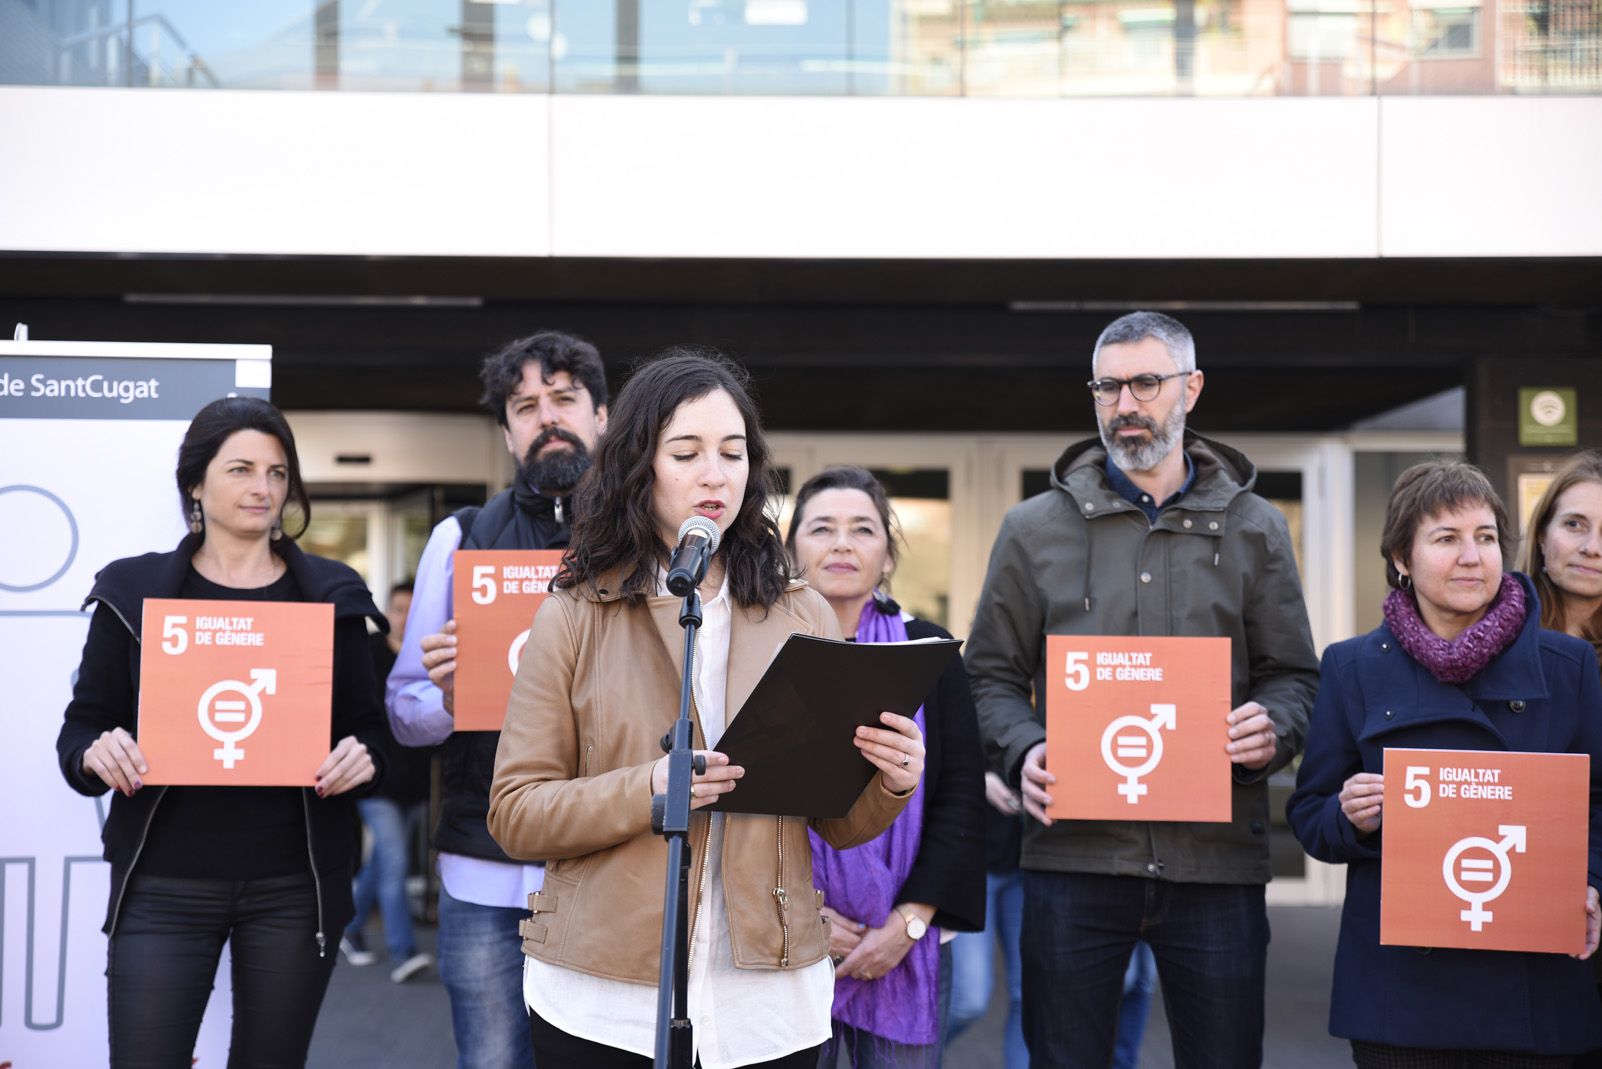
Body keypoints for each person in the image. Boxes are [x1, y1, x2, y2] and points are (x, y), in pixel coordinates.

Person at [486, 348, 925, 1068]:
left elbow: (839, 822)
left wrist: (891, 779)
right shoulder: (573, 612)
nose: (715, 474)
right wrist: (649, 789)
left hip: (767, 995)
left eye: (733, 451)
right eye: (686, 452)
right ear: (639, 463)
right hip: (604, 993)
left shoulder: (802, 610)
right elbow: (515, 810)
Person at [964, 310, 1320, 1069]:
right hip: (1073, 857)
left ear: (1190, 388)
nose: (1126, 404)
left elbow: (1294, 675)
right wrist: (1022, 748)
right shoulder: (1032, 529)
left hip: (1216, 861)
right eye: (1108, 386)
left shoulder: (1256, 527)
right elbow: (988, 675)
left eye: (1146, 383)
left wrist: (1273, 728)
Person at [55, 396, 388, 1068]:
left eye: (276, 471)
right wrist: (96, 752)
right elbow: (81, 725)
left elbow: (373, 729)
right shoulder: (133, 593)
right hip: (162, 885)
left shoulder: (331, 594)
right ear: (195, 484)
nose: (262, 488)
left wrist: (366, 756)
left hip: (294, 889)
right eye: (240, 469)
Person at [1287, 460, 1602, 1066]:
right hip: (1401, 999)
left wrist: (1589, 882)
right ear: (1402, 558)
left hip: (1533, 995)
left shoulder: (1567, 666)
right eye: (1446, 539)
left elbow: (1599, 805)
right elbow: (1309, 815)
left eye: (1485, 538)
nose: (1471, 557)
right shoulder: (1352, 667)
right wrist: (1350, 816)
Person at [387, 330, 609, 1069]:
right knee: (491, 1061)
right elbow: (405, 712)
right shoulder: (461, 537)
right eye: (525, 405)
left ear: (602, 416)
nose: (546, 417)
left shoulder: (644, 541)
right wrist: (452, 695)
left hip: (610, 867)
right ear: (509, 430)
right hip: (483, 868)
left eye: (564, 399)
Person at [784, 465, 986, 1067]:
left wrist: (911, 922)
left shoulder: (928, 654)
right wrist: (801, 912)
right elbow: (749, 799)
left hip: (909, 938)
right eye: (822, 528)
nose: (842, 543)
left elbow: (960, 798)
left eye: (862, 529)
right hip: (788, 938)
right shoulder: (763, 652)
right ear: (793, 549)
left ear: (888, 555)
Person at [342, 580, 437, 983]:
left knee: (382, 862)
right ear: (387, 612)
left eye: (412, 610)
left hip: (413, 782)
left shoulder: (428, 654)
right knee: (395, 862)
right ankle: (404, 952)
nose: (404, 617)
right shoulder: (369, 653)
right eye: (398, 609)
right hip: (375, 781)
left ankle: (346, 926)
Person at [945, 772, 1028, 1069]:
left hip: (1029, 862)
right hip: (973, 861)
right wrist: (976, 777)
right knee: (969, 999)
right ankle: (902, 1057)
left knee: (1028, 997)